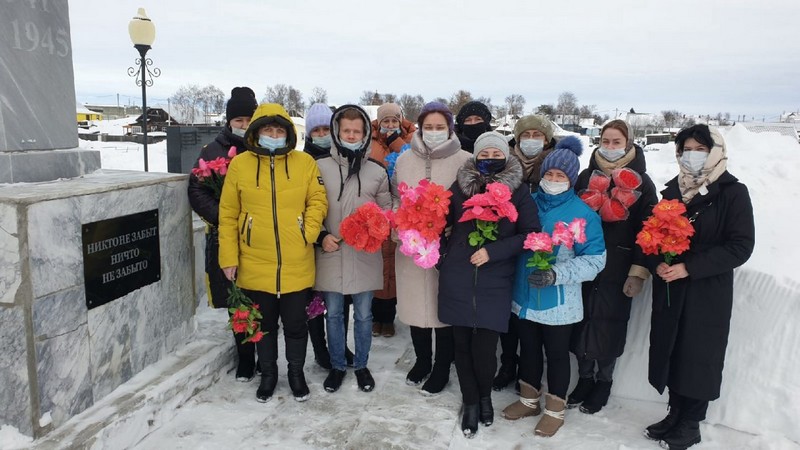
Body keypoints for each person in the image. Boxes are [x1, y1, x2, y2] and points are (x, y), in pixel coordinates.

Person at [644, 124, 754, 449]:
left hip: (707, 290)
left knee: (698, 353)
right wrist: (658, 262)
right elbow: (651, 236)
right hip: (671, 288)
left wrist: (689, 268)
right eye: (685, 149)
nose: (691, 155)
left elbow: (741, 245)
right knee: (673, 349)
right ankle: (675, 412)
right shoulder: (672, 192)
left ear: (714, 152)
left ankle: (691, 422)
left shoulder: (733, 192)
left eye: (700, 149)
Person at [218, 102, 328, 403]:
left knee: (295, 324)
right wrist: (228, 257)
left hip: (296, 259)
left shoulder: (304, 163)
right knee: (263, 326)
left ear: (289, 133)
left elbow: (318, 199)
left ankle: (296, 373)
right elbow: (227, 214)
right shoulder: (240, 165)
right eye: (268, 129)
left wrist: (308, 230)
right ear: (256, 131)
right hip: (255, 261)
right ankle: (268, 375)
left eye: (280, 129)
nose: (274, 134)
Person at [438, 131, 540, 438]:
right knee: (461, 346)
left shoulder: (519, 191)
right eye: (485, 154)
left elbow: (529, 233)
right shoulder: (460, 187)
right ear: (475, 156)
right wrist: (444, 257)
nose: (490, 159)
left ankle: (485, 397)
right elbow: (437, 220)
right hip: (457, 277)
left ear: (506, 157)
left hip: (494, 280)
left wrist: (493, 251)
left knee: (484, 349)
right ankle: (470, 402)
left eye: (497, 155)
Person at [502, 136, 606, 438]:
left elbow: (595, 261)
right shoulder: (528, 203)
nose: (553, 179)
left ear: (571, 179)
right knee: (529, 349)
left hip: (559, 302)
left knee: (557, 355)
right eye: (549, 174)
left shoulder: (583, 215)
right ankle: (529, 400)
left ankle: (555, 410)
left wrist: (556, 274)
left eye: (560, 176)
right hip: (524, 296)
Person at [567, 119, 658, 414]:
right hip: (583, 264)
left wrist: (639, 271)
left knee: (610, 323)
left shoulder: (642, 182)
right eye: (605, 141)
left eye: (616, 142)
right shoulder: (585, 177)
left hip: (619, 267)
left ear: (629, 144)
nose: (609, 147)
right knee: (582, 321)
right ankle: (584, 378)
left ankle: (604, 381)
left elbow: (650, 229)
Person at [393, 101, 471, 395]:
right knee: (415, 306)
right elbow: (396, 198)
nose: (434, 132)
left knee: (444, 309)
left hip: (448, 248)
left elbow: (472, 203)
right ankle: (423, 360)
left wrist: (451, 228)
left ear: (450, 128)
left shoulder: (465, 159)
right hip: (413, 246)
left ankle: (441, 366)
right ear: (420, 127)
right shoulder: (404, 160)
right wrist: (402, 226)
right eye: (429, 127)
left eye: (440, 127)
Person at [315, 105, 392, 394]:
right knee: (333, 314)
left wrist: (376, 228)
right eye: (346, 130)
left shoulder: (376, 171)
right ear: (337, 132)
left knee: (363, 315)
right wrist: (321, 236)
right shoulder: (320, 167)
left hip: (364, 254)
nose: (350, 135)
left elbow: (387, 209)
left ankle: (361, 365)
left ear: (365, 134)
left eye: (356, 131)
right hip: (331, 252)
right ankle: (337, 365)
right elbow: (310, 208)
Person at [188, 86, 258, 382]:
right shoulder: (213, 151)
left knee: (261, 295)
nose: (243, 125)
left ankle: (264, 351)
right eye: (238, 120)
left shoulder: (266, 146)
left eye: (248, 119)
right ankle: (245, 357)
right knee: (237, 298)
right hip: (227, 236)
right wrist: (226, 217)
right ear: (229, 121)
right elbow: (196, 190)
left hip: (260, 236)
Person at [494, 114, 558, 392]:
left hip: (543, 251)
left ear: (547, 139)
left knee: (532, 317)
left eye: (538, 135)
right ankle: (508, 363)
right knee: (508, 314)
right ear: (517, 139)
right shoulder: (505, 166)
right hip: (510, 249)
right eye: (526, 135)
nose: (532, 141)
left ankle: (530, 372)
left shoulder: (557, 167)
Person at [369, 103, 416, 338]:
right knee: (378, 264)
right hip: (375, 210)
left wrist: (396, 140)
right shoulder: (371, 141)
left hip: (401, 209)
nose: (389, 126)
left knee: (395, 266)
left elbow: (411, 160)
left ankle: (389, 317)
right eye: (385, 121)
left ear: (400, 120)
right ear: (379, 122)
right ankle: (377, 316)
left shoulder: (411, 139)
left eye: (394, 121)